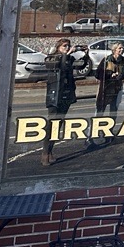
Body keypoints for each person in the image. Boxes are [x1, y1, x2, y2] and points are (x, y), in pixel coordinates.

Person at [42, 37, 77, 166]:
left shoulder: (69, 59)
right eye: (64, 46)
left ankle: (51, 151)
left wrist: (85, 55)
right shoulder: (52, 58)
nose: (67, 48)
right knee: (51, 123)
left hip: (66, 94)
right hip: (55, 95)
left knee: (59, 123)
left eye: (68, 46)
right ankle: (45, 152)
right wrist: (65, 55)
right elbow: (60, 67)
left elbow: (81, 65)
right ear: (58, 47)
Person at [95, 42, 124, 117]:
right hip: (106, 88)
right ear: (114, 50)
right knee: (100, 109)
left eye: (122, 48)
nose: (122, 49)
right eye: (120, 48)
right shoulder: (107, 60)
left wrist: (120, 75)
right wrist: (110, 74)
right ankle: (97, 126)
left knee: (114, 110)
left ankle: (111, 127)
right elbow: (98, 74)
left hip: (117, 88)